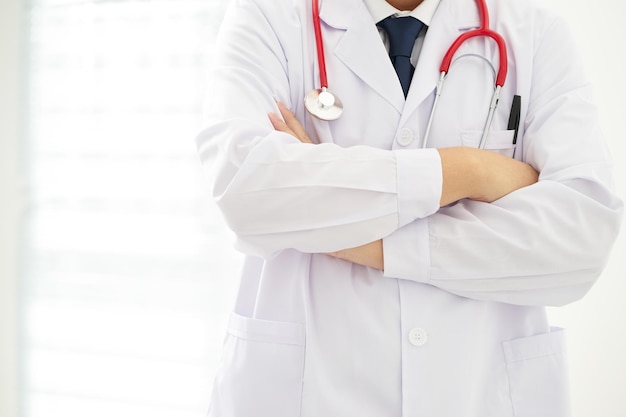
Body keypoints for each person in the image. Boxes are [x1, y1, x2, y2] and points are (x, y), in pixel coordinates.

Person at [196, 0, 623, 415]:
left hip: (477, 393)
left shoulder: (534, 34)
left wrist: (343, 225)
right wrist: (469, 170)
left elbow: (580, 238)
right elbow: (247, 191)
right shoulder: (267, 19)